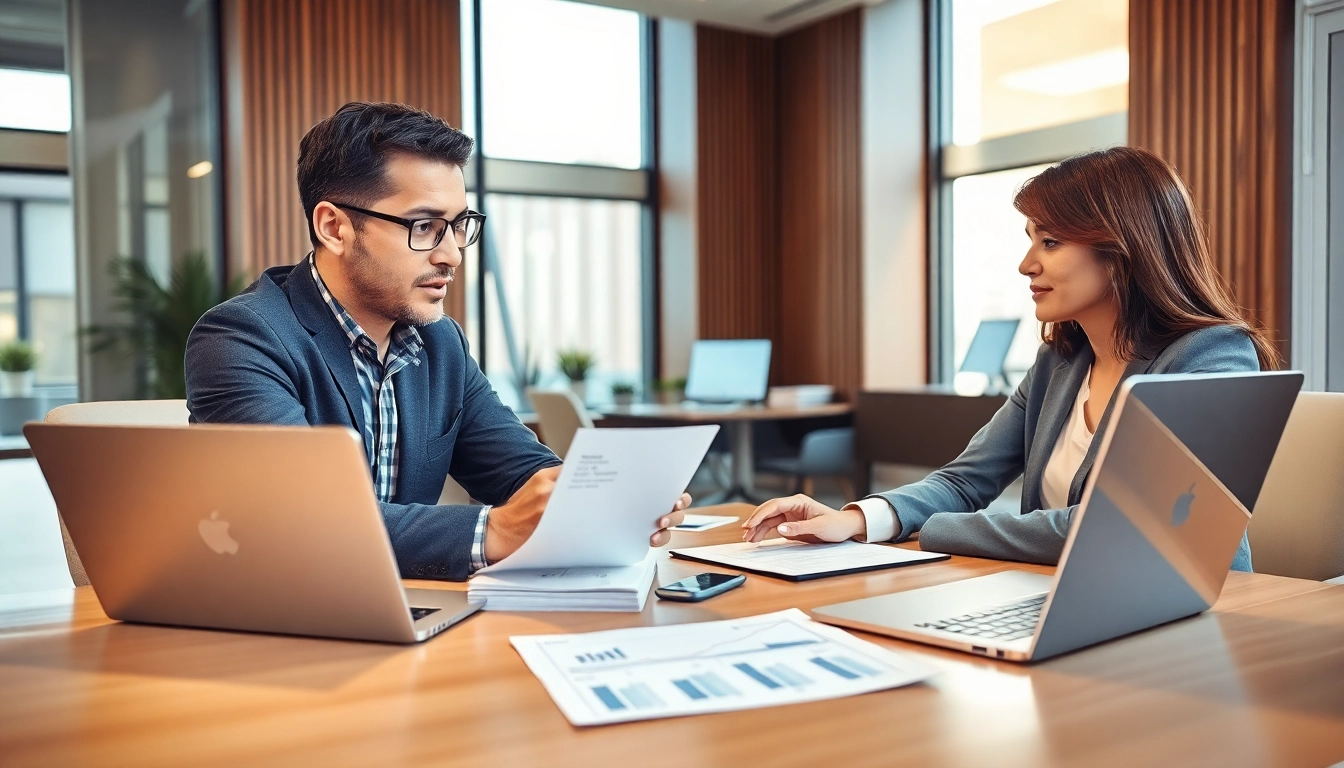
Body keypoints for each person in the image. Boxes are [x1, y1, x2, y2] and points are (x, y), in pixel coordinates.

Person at [186, 102, 687, 581]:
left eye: (458, 226)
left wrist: (596, 499)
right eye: (424, 226)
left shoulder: (439, 342)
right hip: (285, 615)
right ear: (334, 227)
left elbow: (520, 470)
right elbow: (301, 519)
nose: (452, 255)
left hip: (415, 608)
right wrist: (496, 530)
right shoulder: (242, 338)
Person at [742, 146, 1277, 572]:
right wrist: (858, 520)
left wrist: (932, 531)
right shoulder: (1058, 364)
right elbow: (963, 482)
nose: (1026, 264)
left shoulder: (1210, 355)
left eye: (1051, 242)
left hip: (1193, 614)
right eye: (1030, 240)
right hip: (1063, 596)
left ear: (1121, 248)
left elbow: (1123, 526)